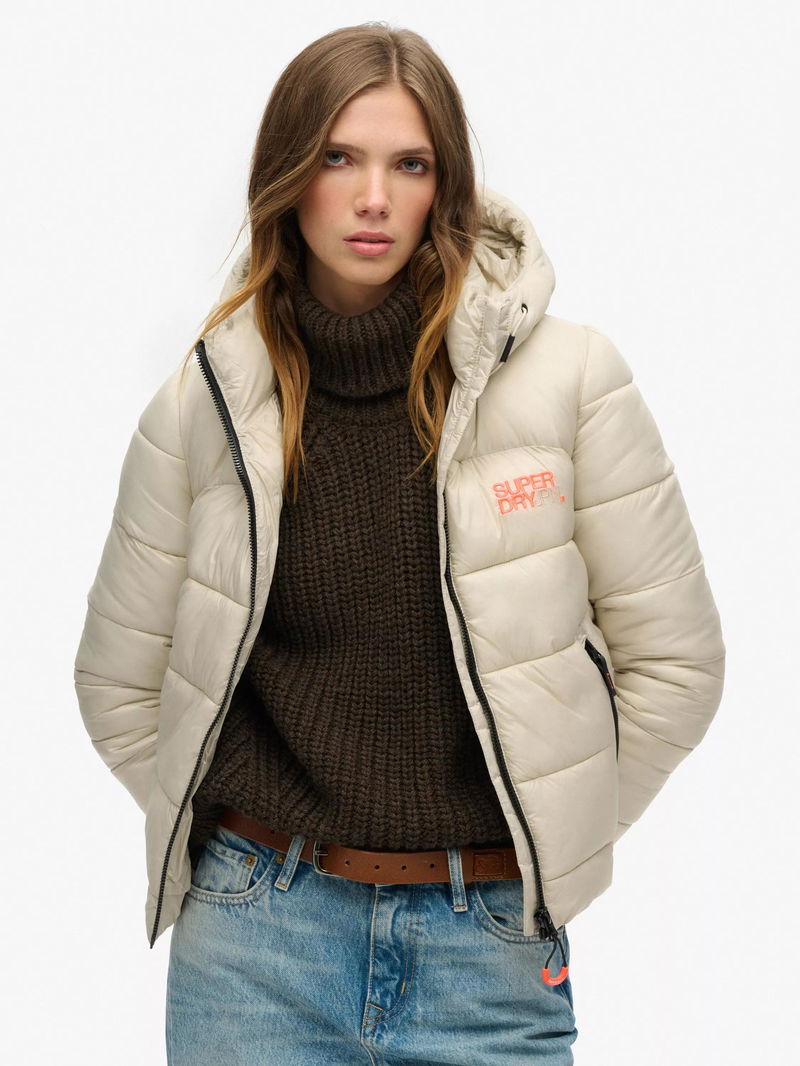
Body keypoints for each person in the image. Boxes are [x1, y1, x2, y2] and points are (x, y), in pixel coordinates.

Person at [73, 21, 725, 1066]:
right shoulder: (203, 402)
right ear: (288, 175)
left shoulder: (570, 379)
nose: (372, 197)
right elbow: (119, 681)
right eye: (339, 157)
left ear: (444, 184)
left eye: (408, 164)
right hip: (253, 950)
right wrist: (235, 850)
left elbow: (676, 664)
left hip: (488, 950)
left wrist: (551, 833)